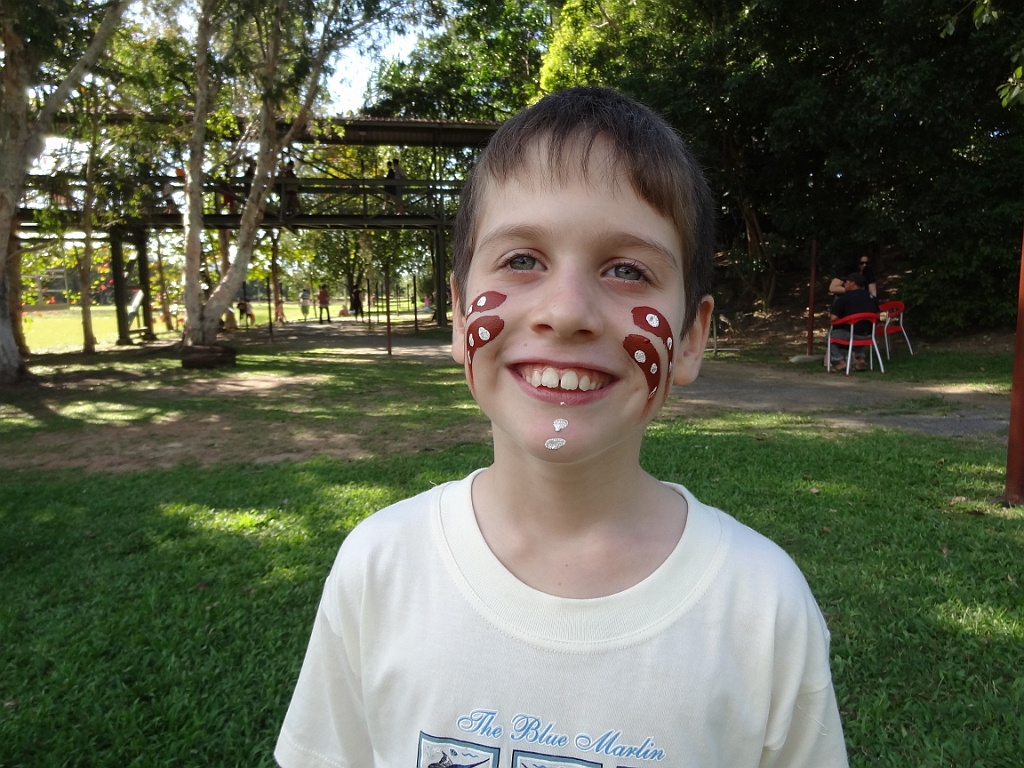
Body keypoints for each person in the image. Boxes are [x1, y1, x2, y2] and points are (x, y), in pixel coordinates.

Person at [276, 87, 848, 768]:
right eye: (522, 260)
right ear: (459, 314)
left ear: (691, 339)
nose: (567, 310)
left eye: (627, 270)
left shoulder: (763, 608)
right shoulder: (379, 568)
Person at [829, 271, 880, 371]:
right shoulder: (871, 297)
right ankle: (860, 359)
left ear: (853, 283)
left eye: (846, 282)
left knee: (830, 337)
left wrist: (845, 320)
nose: (844, 284)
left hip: (852, 334)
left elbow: (834, 318)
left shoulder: (844, 298)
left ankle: (841, 362)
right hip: (870, 334)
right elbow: (877, 315)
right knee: (857, 331)